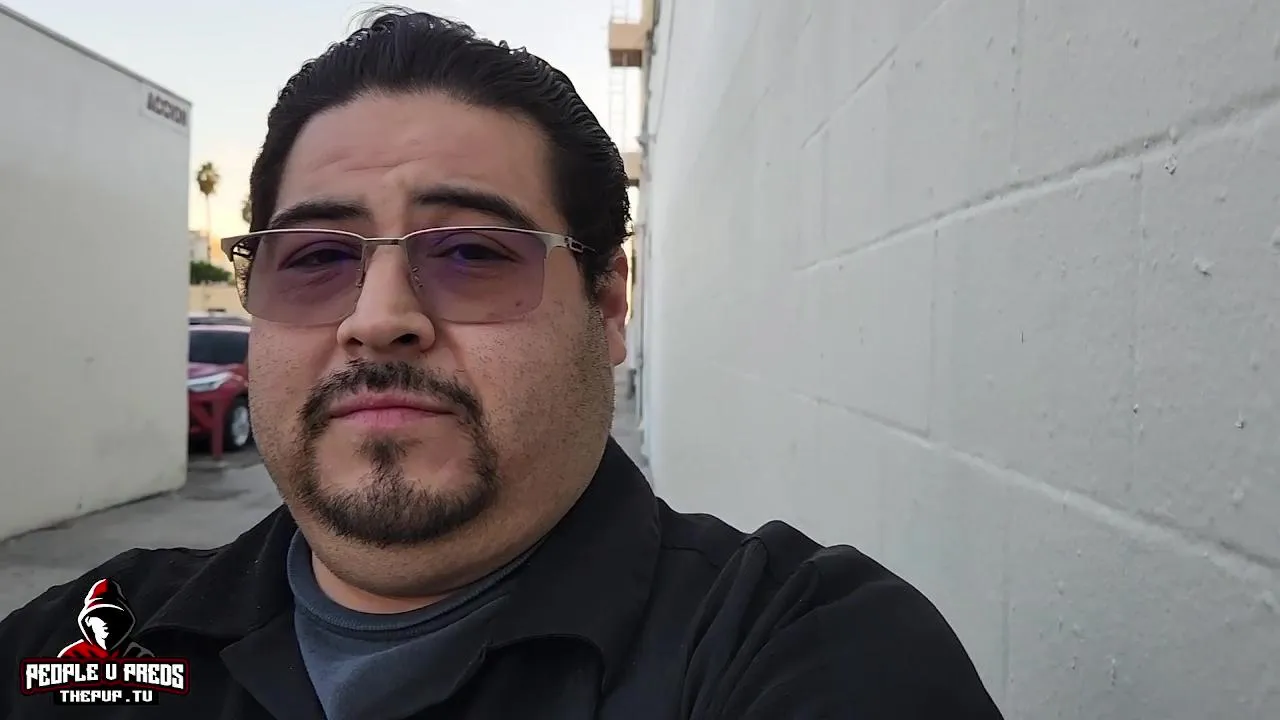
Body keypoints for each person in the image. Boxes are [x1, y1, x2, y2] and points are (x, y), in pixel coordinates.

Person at [0, 8, 1003, 719]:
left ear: (607, 306)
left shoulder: (798, 651)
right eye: (315, 259)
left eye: (473, 254)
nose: (377, 320)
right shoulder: (92, 636)